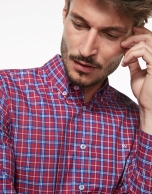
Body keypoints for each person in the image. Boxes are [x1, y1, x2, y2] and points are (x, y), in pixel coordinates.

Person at [0, 0, 152, 193]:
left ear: (135, 37)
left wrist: (149, 111)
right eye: (79, 25)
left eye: (110, 35)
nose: (86, 50)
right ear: (65, 13)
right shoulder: (5, 93)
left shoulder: (138, 122)